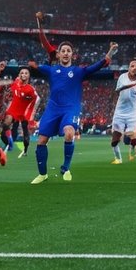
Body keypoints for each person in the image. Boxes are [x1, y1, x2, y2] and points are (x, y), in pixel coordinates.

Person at [27, 39, 118, 184]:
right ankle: (42, 174)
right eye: (63, 51)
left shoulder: (78, 71)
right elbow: (35, 67)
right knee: (42, 141)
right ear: (58, 54)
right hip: (53, 108)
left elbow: (97, 66)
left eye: (68, 51)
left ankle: (66, 167)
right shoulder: (51, 70)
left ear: (72, 55)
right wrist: (31, 65)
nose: (65, 53)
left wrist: (110, 53)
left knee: (69, 132)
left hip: (71, 108)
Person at [109, 59, 136, 164]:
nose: (134, 68)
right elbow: (119, 89)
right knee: (115, 139)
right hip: (120, 112)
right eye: (132, 66)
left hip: (132, 113)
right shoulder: (122, 77)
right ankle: (118, 159)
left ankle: (133, 146)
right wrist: (133, 84)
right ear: (129, 67)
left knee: (132, 137)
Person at [1, 67, 39, 158]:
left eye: (26, 73)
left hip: (23, 112)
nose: (24, 75)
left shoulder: (30, 89)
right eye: (22, 73)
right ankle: (10, 142)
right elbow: (9, 87)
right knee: (6, 124)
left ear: (29, 76)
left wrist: (30, 113)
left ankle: (25, 150)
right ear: (19, 75)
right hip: (13, 109)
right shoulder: (16, 83)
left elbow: (36, 100)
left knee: (25, 130)